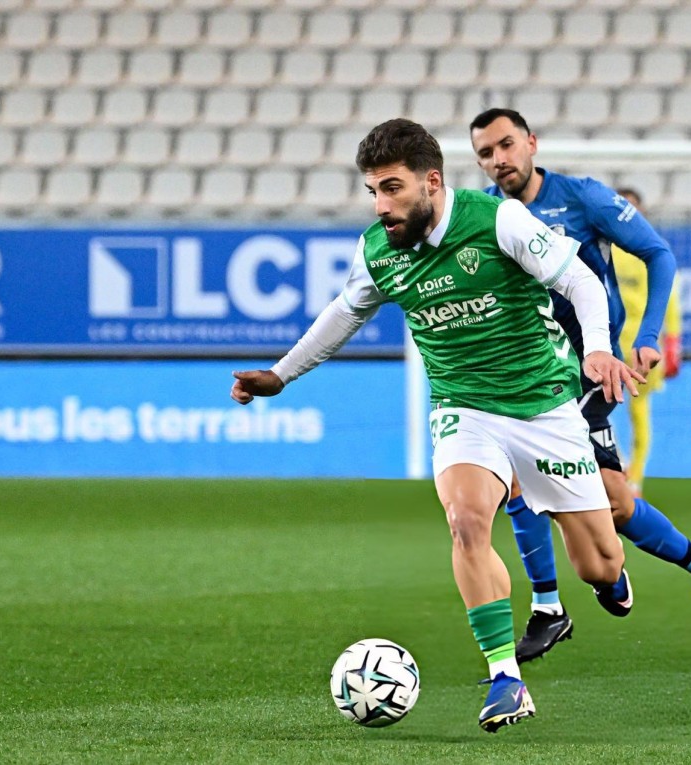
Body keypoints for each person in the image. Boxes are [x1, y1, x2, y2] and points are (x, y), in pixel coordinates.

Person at [232, 119, 643, 732]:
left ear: (431, 182)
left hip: (543, 406)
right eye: (373, 191)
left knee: (597, 565)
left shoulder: (498, 221)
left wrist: (599, 349)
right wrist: (281, 374)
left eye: (392, 188)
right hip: (463, 408)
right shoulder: (378, 249)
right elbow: (344, 314)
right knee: (466, 519)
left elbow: (580, 279)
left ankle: (609, 573)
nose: (381, 206)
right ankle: (506, 679)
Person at [468, 109, 691, 663]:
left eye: (507, 145)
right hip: (531, 372)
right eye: (486, 153)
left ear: (531, 143)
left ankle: (552, 606)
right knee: (602, 499)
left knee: (546, 481)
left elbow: (658, 253)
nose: (498, 160)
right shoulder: (488, 214)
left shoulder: (582, 198)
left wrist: (649, 335)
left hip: (591, 371)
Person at [612, 188, 682, 495]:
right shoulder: (601, 246)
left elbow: (670, 300)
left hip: (643, 346)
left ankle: (635, 479)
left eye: (632, 208)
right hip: (607, 344)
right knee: (591, 409)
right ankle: (618, 463)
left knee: (639, 413)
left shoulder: (652, 250)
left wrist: (673, 343)